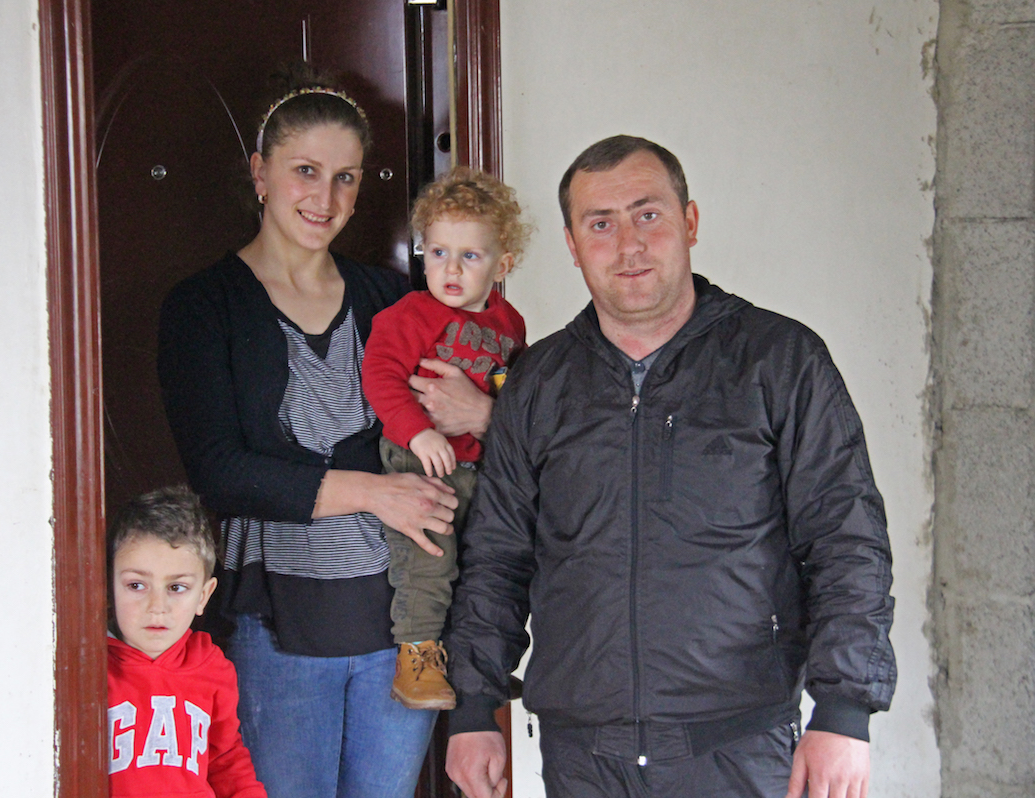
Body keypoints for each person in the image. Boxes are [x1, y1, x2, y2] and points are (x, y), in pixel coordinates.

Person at [443, 135, 897, 798]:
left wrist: (844, 712)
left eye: (647, 214)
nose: (627, 244)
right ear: (572, 245)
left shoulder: (779, 361)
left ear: (689, 222)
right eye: (601, 224)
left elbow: (846, 540)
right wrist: (472, 707)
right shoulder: (538, 383)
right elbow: (497, 555)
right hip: (583, 754)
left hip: (738, 746)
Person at [157, 65, 491, 798]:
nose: (326, 198)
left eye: (346, 177)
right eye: (306, 171)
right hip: (279, 627)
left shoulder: (391, 296)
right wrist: (378, 493)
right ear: (260, 173)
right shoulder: (203, 306)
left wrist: (484, 412)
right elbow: (221, 471)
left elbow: (473, 410)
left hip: (406, 629)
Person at [362, 167, 530, 711]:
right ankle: (416, 658)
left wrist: (494, 414)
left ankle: (472, 661)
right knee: (429, 559)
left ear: (502, 263)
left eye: (470, 256)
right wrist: (417, 431)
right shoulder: (409, 314)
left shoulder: (511, 325)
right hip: (418, 460)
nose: (450, 269)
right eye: (437, 253)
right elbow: (381, 377)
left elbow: (514, 393)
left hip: (479, 469)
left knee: (486, 563)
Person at [106, 485, 266, 798]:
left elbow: (224, 757)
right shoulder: (86, 671)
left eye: (177, 588)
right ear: (109, 585)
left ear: (203, 596)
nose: (157, 606)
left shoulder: (212, 667)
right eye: (136, 585)